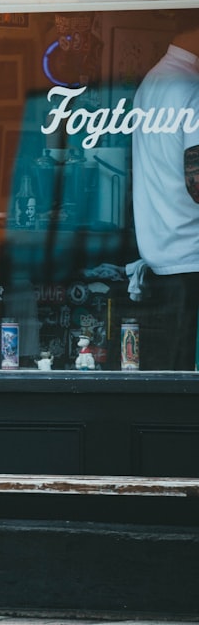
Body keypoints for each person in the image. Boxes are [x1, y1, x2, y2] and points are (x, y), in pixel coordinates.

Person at [131, 21, 199, 371]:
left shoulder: (152, 82)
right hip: (191, 261)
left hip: (159, 258)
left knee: (165, 383)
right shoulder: (191, 88)